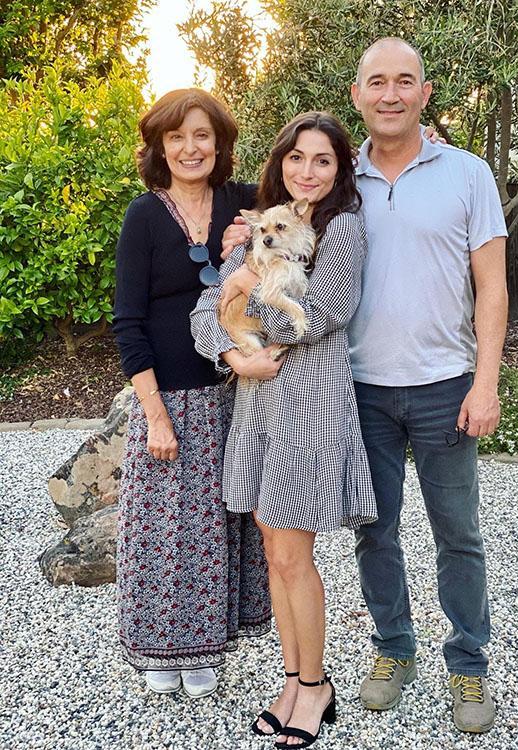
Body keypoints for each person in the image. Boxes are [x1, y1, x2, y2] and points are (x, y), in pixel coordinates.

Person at [191, 111, 378, 748]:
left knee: (296, 556)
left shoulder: (343, 229)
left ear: (339, 168)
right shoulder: (261, 224)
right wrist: (231, 352)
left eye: (322, 160)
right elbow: (203, 312)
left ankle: (314, 685)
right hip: (256, 401)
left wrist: (244, 291)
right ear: (281, 162)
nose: (308, 171)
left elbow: (319, 315)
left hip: (308, 402)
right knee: (275, 552)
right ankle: (293, 679)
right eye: (297, 158)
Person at [348, 38, 508, 733]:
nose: (390, 94)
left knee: (458, 534)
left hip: (447, 384)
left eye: (404, 81)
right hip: (360, 389)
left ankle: (468, 664)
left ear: (425, 91)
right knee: (373, 531)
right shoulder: (331, 178)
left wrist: (487, 382)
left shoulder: (468, 174)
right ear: (357, 94)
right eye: (377, 82)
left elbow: (493, 286)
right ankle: (393, 649)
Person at [112, 88, 271, 699]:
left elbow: (308, 206)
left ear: (219, 142)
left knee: (218, 526)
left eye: (201, 135)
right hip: (172, 402)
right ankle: (159, 646)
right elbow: (128, 321)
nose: (189, 147)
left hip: (239, 395)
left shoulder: (241, 203)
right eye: (175, 137)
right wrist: (153, 413)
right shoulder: (144, 216)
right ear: (158, 146)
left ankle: (205, 643)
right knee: (164, 528)